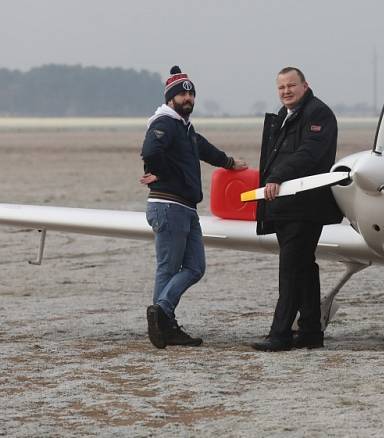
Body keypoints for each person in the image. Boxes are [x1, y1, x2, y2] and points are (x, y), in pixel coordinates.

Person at [140, 66, 247, 349]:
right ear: (171, 98)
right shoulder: (164, 123)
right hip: (169, 205)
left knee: (195, 267)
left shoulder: (184, 128)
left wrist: (229, 163)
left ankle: (162, 314)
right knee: (168, 268)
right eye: (182, 94)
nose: (187, 98)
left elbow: (204, 149)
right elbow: (151, 151)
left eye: (191, 93)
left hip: (184, 207)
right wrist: (160, 173)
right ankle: (164, 322)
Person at [252, 67, 343, 352]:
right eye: (281, 88)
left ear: (305, 85)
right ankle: (310, 332)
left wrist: (276, 177)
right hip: (285, 207)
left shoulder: (319, 114)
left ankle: (280, 335)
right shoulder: (283, 117)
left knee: (290, 270)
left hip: (306, 206)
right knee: (304, 268)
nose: (286, 91)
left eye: (292, 86)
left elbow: (310, 153)